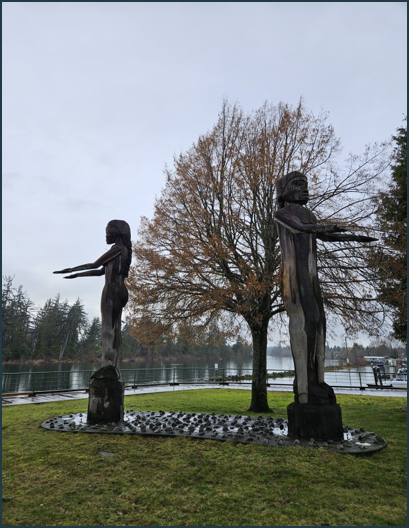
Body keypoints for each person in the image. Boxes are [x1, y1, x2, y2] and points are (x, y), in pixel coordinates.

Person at [274, 172, 376, 405]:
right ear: (284, 190)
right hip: (294, 279)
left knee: (319, 321)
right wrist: (328, 226)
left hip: (311, 278)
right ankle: (303, 388)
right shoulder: (282, 213)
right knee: (306, 319)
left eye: (306, 185)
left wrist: (354, 237)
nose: (305, 189)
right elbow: (299, 228)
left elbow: (324, 235)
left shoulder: (309, 214)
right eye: (298, 185)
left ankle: (318, 380)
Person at [54, 220, 132, 369]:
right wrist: (77, 275)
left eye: (108, 231)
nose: (106, 235)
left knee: (108, 329)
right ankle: (113, 366)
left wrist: (71, 269)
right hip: (121, 291)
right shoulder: (124, 251)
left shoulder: (117, 249)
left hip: (111, 291)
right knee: (116, 330)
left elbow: (95, 264)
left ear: (116, 233)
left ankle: (107, 366)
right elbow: (100, 271)